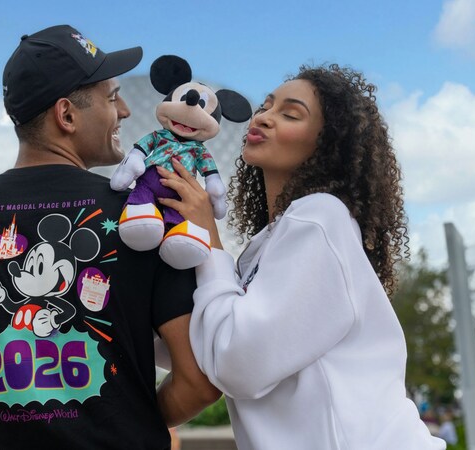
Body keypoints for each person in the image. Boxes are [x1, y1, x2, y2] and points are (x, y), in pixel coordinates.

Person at [0, 24, 220, 450]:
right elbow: (200, 382)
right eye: (112, 98)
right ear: (67, 115)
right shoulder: (147, 222)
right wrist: (122, 420)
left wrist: (8, 429)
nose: (127, 112)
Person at [157, 64, 446, 449]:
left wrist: (208, 236)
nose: (265, 117)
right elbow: (210, 342)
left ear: (327, 143)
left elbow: (238, 363)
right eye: (266, 106)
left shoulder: (320, 216)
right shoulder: (267, 246)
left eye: (290, 114)